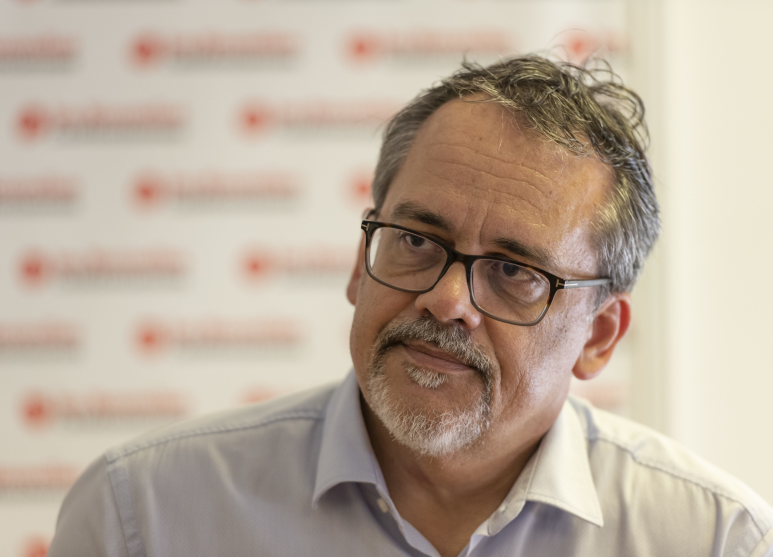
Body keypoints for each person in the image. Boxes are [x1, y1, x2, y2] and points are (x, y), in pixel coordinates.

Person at [48, 56, 773, 557]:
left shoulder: (710, 538)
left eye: (513, 271)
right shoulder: (143, 515)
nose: (447, 299)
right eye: (417, 241)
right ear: (357, 264)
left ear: (599, 336)